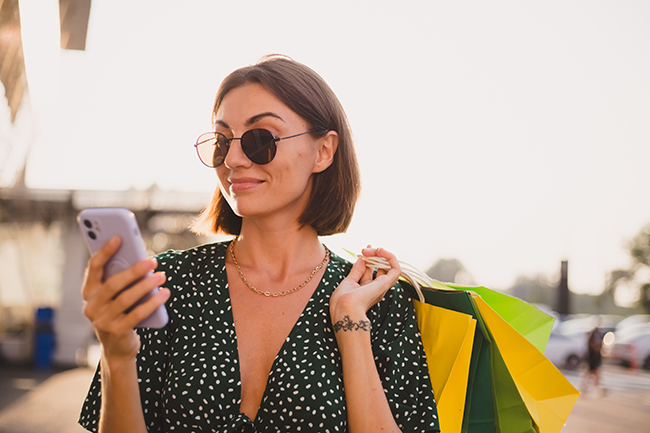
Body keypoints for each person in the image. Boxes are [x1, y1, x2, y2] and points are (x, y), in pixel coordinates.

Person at [78, 55, 439, 433]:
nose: (232, 159)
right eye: (221, 142)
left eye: (260, 139)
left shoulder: (375, 298)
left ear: (324, 151)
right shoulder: (167, 285)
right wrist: (117, 355)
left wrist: (350, 322)